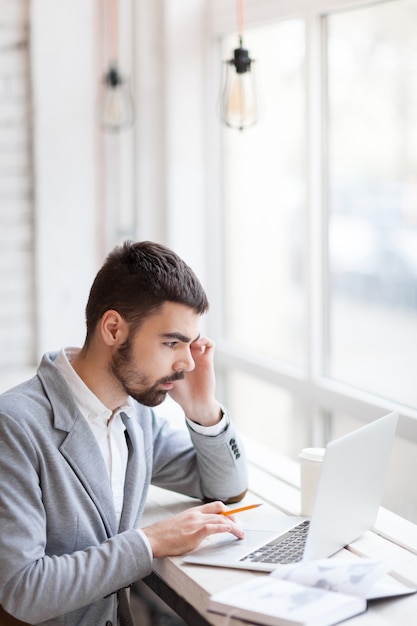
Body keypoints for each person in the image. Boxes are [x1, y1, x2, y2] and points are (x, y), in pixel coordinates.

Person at [0, 241, 248, 626]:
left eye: (189, 344)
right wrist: (150, 542)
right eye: (171, 343)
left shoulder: (134, 415)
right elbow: (22, 589)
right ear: (113, 328)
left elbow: (224, 484)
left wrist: (203, 410)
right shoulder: (15, 425)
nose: (186, 363)